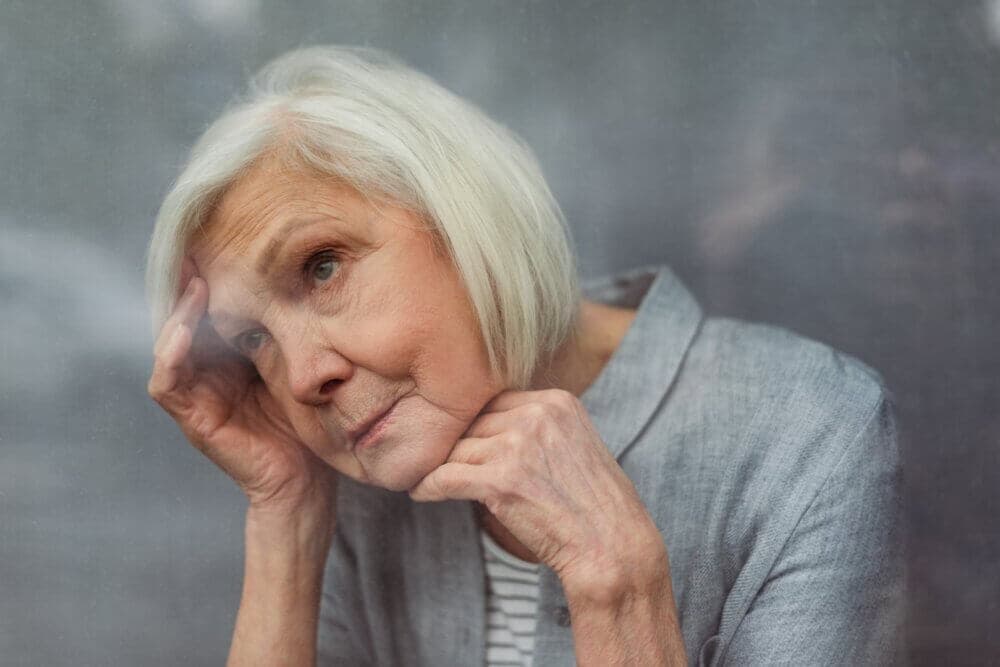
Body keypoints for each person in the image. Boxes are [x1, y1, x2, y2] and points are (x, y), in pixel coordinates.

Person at [146, 46, 904, 666]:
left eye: (322, 266)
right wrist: (285, 513)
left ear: (465, 214)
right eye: (253, 339)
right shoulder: (353, 479)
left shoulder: (813, 427)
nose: (306, 375)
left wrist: (615, 584)